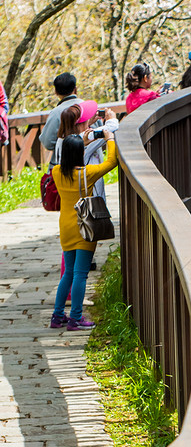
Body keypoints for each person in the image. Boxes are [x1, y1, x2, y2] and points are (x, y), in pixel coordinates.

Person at [49, 127, 117, 331]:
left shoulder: (56, 172)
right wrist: (109, 138)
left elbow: (71, 157)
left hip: (66, 227)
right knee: (80, 274)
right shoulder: (87, 173)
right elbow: (111, 162)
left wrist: (81, 143)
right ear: (80, 153)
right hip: (85, 224)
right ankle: (76, 317)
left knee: (68, 273)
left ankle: (57, 316)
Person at [39, 72, 84, 166]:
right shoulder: (89, 107)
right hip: (92, 164)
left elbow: (47, 142)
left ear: (56, 92)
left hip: (64, 166)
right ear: (75, 89)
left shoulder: (56, 113)